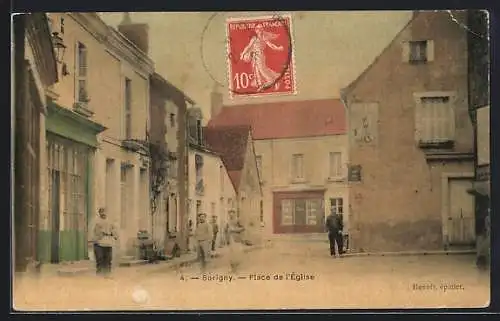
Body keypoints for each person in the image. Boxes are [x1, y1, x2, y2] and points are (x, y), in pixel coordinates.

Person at [239, 24, 284, 92]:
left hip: (260, 56)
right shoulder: (254, 38)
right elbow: (248, 47)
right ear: (256, 30)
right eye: (257, 29)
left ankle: (272, 81)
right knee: (257, 71)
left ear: (262, 30)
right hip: (254, 57)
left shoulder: (264, 38)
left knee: (263, 71)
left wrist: (278, 48)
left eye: (261, 29)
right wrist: (243, 54)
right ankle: (261, 85)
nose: (259, 30)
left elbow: (271, 45)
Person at [91, 208, 118, 276]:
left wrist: (115, 236)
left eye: (104, 212)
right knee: (100, 260)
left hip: (108, 242)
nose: (103, 214)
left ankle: (107, 275)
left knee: (108, 260)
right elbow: (93, 231)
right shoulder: (96, 221)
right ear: (99, 213)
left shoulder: (110, 221)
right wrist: (94, 239)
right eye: (101, 212)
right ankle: (99, 275)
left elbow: (114, 230)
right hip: (99, 243)